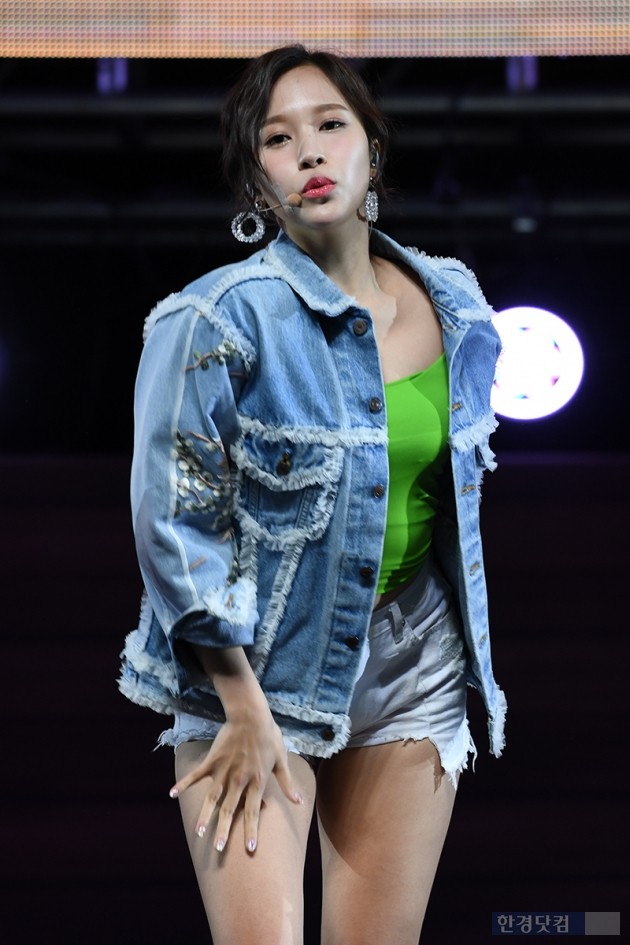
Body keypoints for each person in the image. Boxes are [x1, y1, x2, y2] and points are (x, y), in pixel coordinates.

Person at [118, 44, 507, 945]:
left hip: (414, 662)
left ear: (373, 146)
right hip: (258, 667)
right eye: (278, 139)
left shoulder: (453, 300)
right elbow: (173, 522)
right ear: (258, 180)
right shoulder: (211, 319)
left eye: (332, 125)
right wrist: (240, 700)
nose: (311, 152)